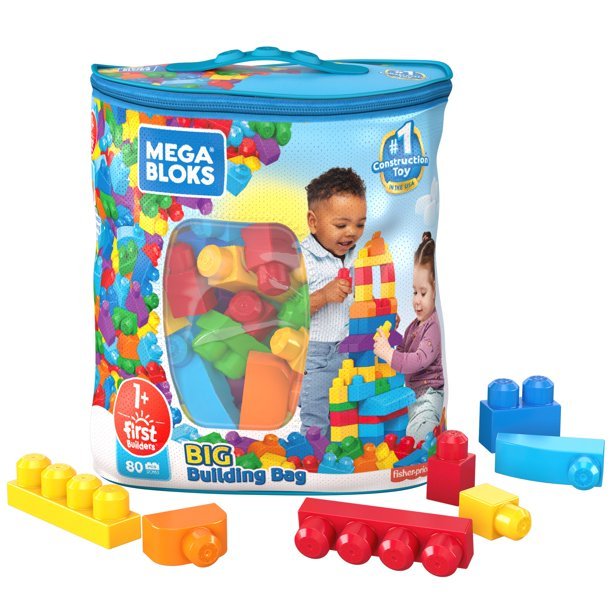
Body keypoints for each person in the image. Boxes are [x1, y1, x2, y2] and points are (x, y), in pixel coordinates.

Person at [299, 167, 367, 435]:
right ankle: (311, 455)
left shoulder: (355, 257)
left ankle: (339, 452)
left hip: (351, 350)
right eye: (341, 225)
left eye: (360, 224)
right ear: (313, 222)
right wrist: (324, 295)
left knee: (346, 413)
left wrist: (378, 315)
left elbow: (360, 299)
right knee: (316, 417)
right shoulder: (301, 259)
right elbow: (286, 311)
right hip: (316, 354)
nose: (352, 233)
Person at [373, 232, 444, 441]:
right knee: (400, 428)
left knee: (419, 432)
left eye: (423, 293)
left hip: (430, 396)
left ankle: (428, 439)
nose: (417, 300)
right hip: (413, 395)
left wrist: (388, 353)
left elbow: (418, 360)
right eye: (414, 292)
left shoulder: (434, 326)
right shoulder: (413, 326)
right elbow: (402, 354)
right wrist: (388, 338)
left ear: (437, 293)